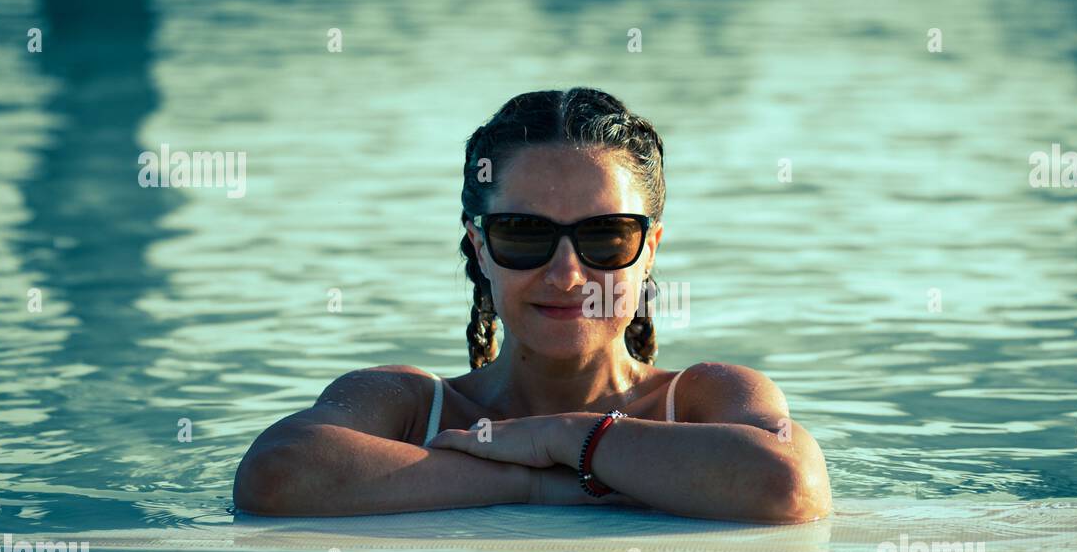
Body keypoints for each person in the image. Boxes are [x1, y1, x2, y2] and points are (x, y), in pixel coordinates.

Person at [233, 87, 831, 524]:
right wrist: (535, 483)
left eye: (606, 236)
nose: (567, 275)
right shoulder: (415, 408)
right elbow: (277, 472)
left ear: (649, 250)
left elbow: (790, 485)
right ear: (481, 246)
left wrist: (564, 439)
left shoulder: (702, 400)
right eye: (524, 232)